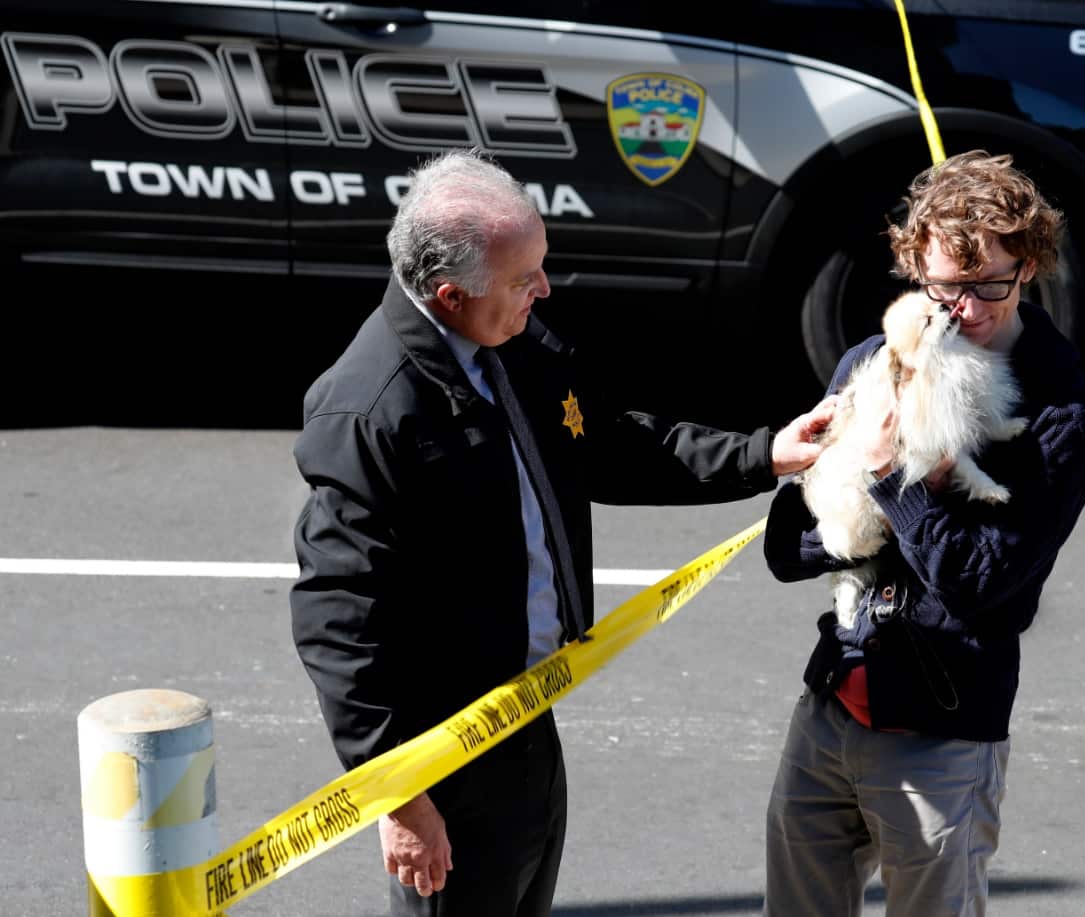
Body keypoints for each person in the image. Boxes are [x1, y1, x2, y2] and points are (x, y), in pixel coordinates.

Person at [289, 147, 835, 917]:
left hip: (528, 719)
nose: (544, 290)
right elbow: (339, 622)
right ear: (448, 296)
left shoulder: (511, 339)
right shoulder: (372, 412)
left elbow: (604, 444)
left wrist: (762, 454)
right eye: (524, 279)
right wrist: (399, 794)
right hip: (448, 758)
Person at [761, 150, 1085, 916]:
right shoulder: (874, 358)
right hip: (831, 705)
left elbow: (984, 581)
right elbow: (788, 545)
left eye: (992, 285)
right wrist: (860, 510)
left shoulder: (1059, 409)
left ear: (1031, 267)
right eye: (948, 286)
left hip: (943, 730)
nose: (967, 311)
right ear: (916, 265)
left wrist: (892, 485)